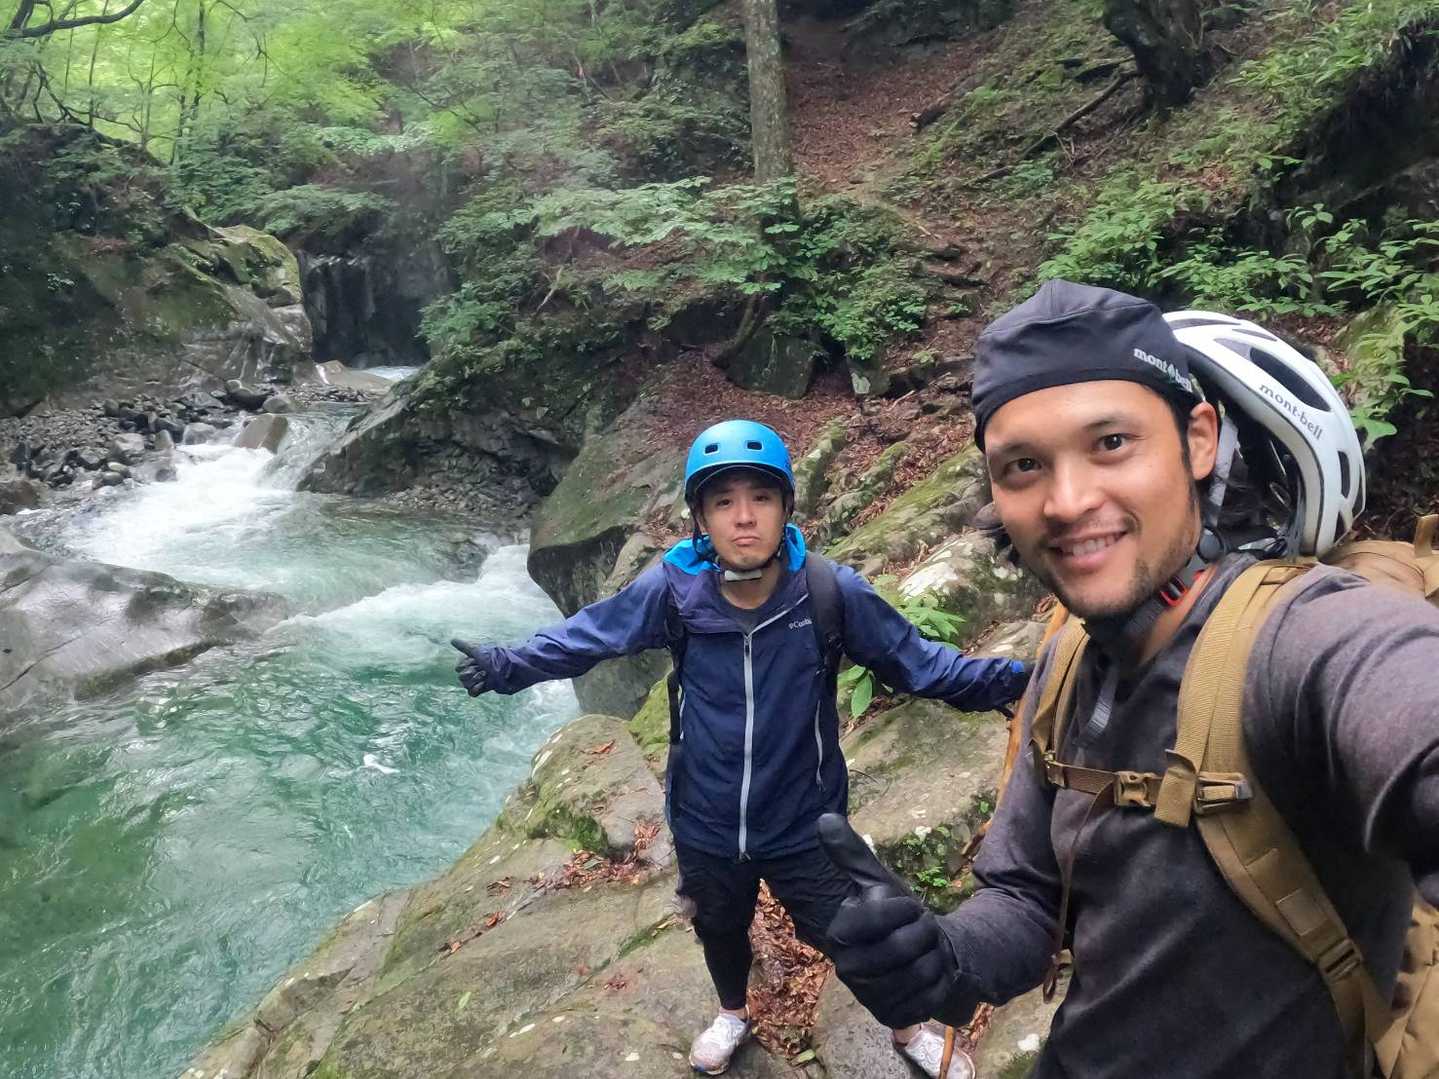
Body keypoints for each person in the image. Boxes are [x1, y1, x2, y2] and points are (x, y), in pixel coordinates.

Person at [817, 280, 1439, 1077]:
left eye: (1110, 442)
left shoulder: (1301, 637)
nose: (1067, 500)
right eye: (1022, 465)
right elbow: (1027, 896)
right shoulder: (1066, 661)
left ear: (1198, 441)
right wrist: (946, 957)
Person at [452, 418, 1031, 1076]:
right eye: (723, 501)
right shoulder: (673, 591)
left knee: (856, 931)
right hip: (705, 817)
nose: (744, 516)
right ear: (701, 517)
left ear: (785, 506)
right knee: (719, 924)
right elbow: (589, 635)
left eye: (760, 497)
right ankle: (732, 1011)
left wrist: (1021, 681)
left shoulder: (827, 592)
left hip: (804, 820)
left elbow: (920, 663)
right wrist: (507, 665)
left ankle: (905, 1026)